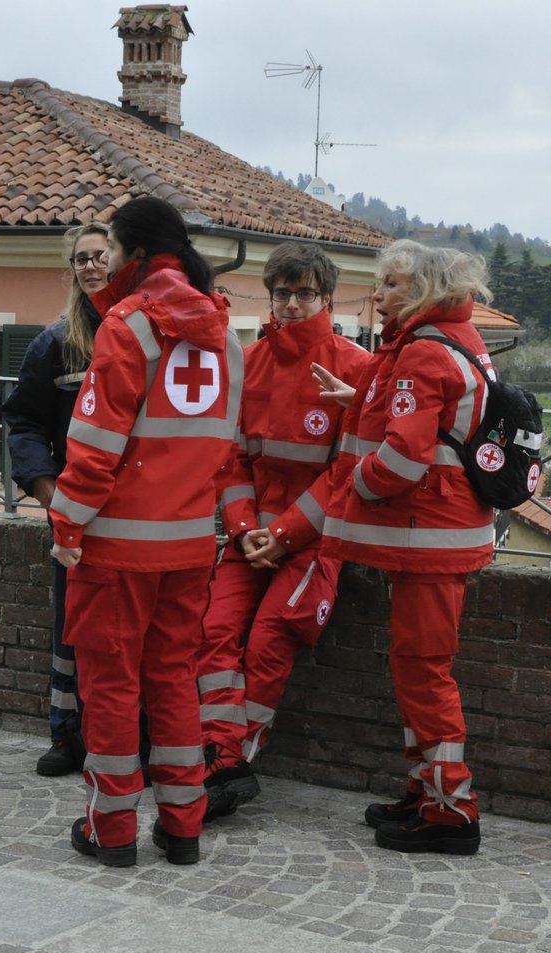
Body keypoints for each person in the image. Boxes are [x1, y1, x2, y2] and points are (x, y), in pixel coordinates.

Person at [49, 197, 241, 867]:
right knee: (174, 678)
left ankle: (112, 827)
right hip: (191, 542)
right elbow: (223, 444)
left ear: (133, 257)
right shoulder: (226, 334)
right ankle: (184, 825)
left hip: (118, 545)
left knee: (109, 686)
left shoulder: (128, 326)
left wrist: (66, 521)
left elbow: (95, 444)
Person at [317, 239, 497, 856]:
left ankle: (451, 810)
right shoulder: (456, 339)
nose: (380, 294)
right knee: (415, 668)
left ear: (422, 290)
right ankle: (427, 790)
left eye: (392, 284)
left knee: (423, 672)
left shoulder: (422, 351)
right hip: (442, 533)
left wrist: (356, 488)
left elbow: (402, 457)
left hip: (431, 536)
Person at [195, 242, 371, 819]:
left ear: (325, 297)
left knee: (269, 643)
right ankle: (221, 759)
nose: (292, 305)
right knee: (213, 630)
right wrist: (245, 529)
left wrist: (286, 534)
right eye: (282, 294)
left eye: (304, 294)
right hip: (252, 540)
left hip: (314, 542)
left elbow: (347, 473)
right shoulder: (249, 361)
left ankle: (233, 758)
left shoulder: (354, 367)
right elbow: (234, 458)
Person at [2, 222, 110, 776]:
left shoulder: (146, 334)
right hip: (74, 516)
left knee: (123, 631)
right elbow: (22, 420)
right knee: (70, 625)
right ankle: (67, 735)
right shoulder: (56, 342)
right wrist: (46, 489)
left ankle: (124, 736)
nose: (90, 266)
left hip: (137, 513)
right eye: (80, 258)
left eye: (100, 255)